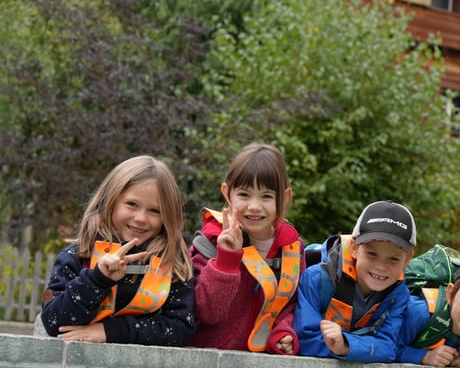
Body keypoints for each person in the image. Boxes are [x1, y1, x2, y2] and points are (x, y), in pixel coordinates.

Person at [40, 155, 195, 345]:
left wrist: (111, 331)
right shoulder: (78, 255)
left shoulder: (174, 265)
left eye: (155, 211)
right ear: (110, 201)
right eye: (132, 204)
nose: (141, 218)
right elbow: (53, 322)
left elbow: (180, 328)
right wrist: (97, 279)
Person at [189, 143, 303, 354]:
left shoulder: (292, 249)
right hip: (205, 364)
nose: (254, 206)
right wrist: (226, 260)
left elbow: (291, 303)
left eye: (267, 196)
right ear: (227, 193)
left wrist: (282, 332)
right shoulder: (209, 242)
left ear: (285, 198)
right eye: (244, 194)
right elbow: (206, 312)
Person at [294, 200, 416, 362]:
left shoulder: (399, 295)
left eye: (393, 259)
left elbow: (388, 347)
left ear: (407, 260)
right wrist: (358, 347)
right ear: (354, 247)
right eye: (372, 254)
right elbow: (303, 339)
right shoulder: (316, 278)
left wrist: (345, 345)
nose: (380, 267)